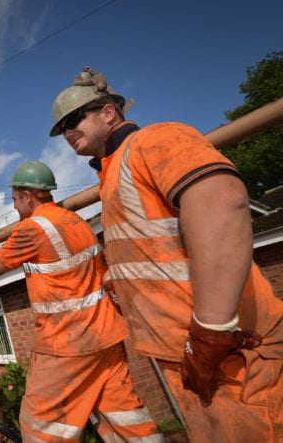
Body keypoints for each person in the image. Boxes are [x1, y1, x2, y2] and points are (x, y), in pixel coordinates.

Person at [49, 67, 283, 442]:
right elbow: (155, 249)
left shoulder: (154, 140)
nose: (67, 131)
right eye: (62, 128)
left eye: (75, 119)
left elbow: (221, 203)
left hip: (232, 356)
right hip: (190, 358)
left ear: (108, 113)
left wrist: (212, 329)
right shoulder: (112, 179)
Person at [0, 161, 162, 442]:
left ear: (28, 196)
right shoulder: (75, 220)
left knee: (42, 424)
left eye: (14, 200)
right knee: (123, 414)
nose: (14, 207)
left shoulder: (32, 229)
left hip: (66, 341)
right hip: (107, 335)